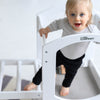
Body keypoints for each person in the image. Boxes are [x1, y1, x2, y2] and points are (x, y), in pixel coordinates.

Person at [24, 0, 100, 96]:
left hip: (76, 59)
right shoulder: (65, 22)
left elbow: (97, 40)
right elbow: (55, 24)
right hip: (61, 53)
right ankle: (35, 82)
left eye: (82, 15)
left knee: (70, 74)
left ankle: (65, 86)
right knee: (46, 66)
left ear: (89, 16)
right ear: (67, 14)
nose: (77, 18)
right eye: (72, 14)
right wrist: (46, 30)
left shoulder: (90, 29)